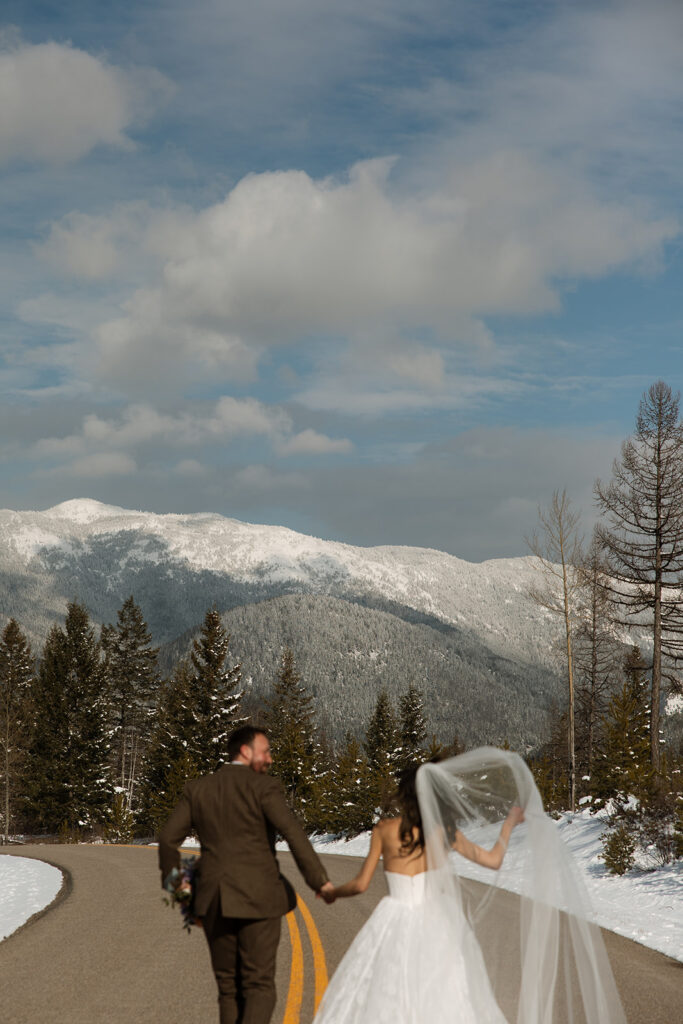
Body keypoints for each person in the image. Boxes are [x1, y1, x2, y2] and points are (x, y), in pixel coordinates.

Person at [314, 748, 627, 1024]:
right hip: (436, 923)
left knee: (385, 993)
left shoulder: (383, 830)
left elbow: (360, 884)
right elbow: (492, 860)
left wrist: (331, 892)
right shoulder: (444, 832)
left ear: (406, 794)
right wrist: (507, 826)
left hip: (393, 920)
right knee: (446, 996)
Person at [158, 724, 334, 1024]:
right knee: (260, 987)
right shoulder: (263, 787)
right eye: (265, 752)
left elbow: (167, 841)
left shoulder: (198, 789)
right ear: (245, 751)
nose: (270, 759)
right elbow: (293, 834)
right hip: (260, 899)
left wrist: (182, 893)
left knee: (228, 989)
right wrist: (319, 881)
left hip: (212, 901)